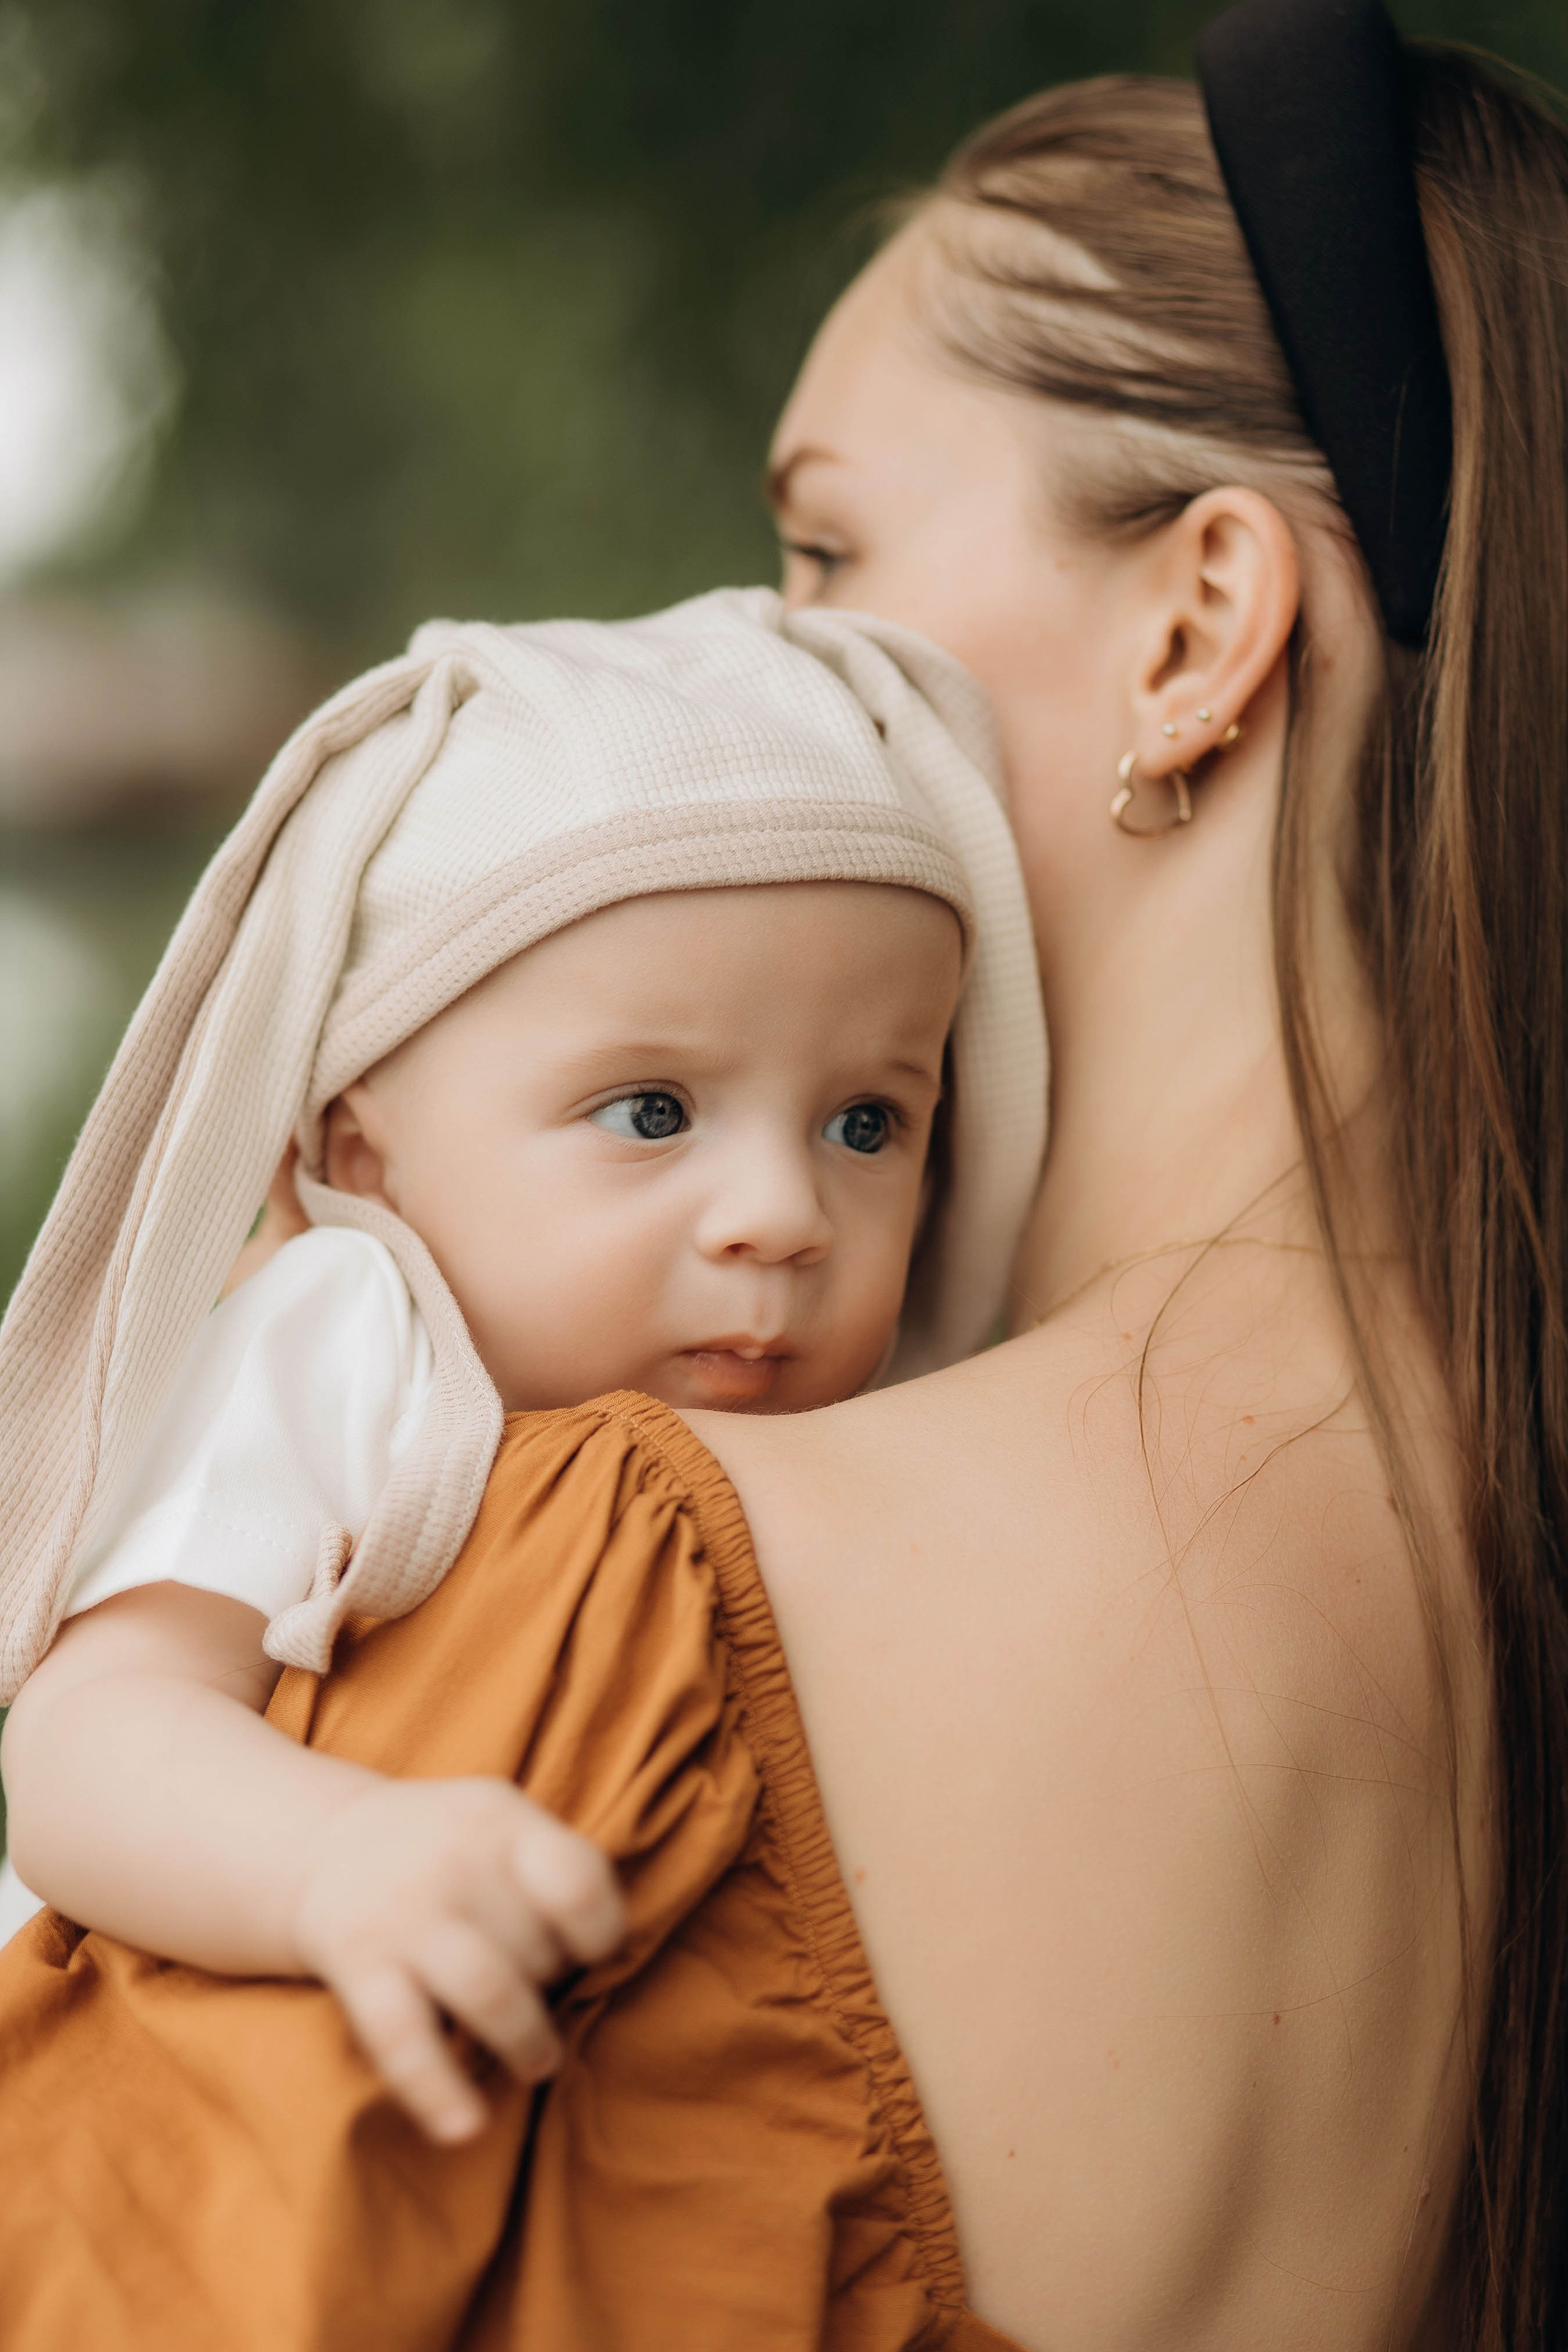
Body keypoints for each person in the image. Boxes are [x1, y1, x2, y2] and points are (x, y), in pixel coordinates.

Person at [0, 0, 1564, 2344]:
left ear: (1200, 629)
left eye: (827, 547)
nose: (750, 658)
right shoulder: (1504, 1566)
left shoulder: (633, 1578)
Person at [0, 589, 1045, 2143]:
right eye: (649, 1113)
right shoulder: (347, 1336)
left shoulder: (860, 1434)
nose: (780, 1216)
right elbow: (87, 1745)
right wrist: (334, 1862)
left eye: (865, 1124)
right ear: (367, 1144)